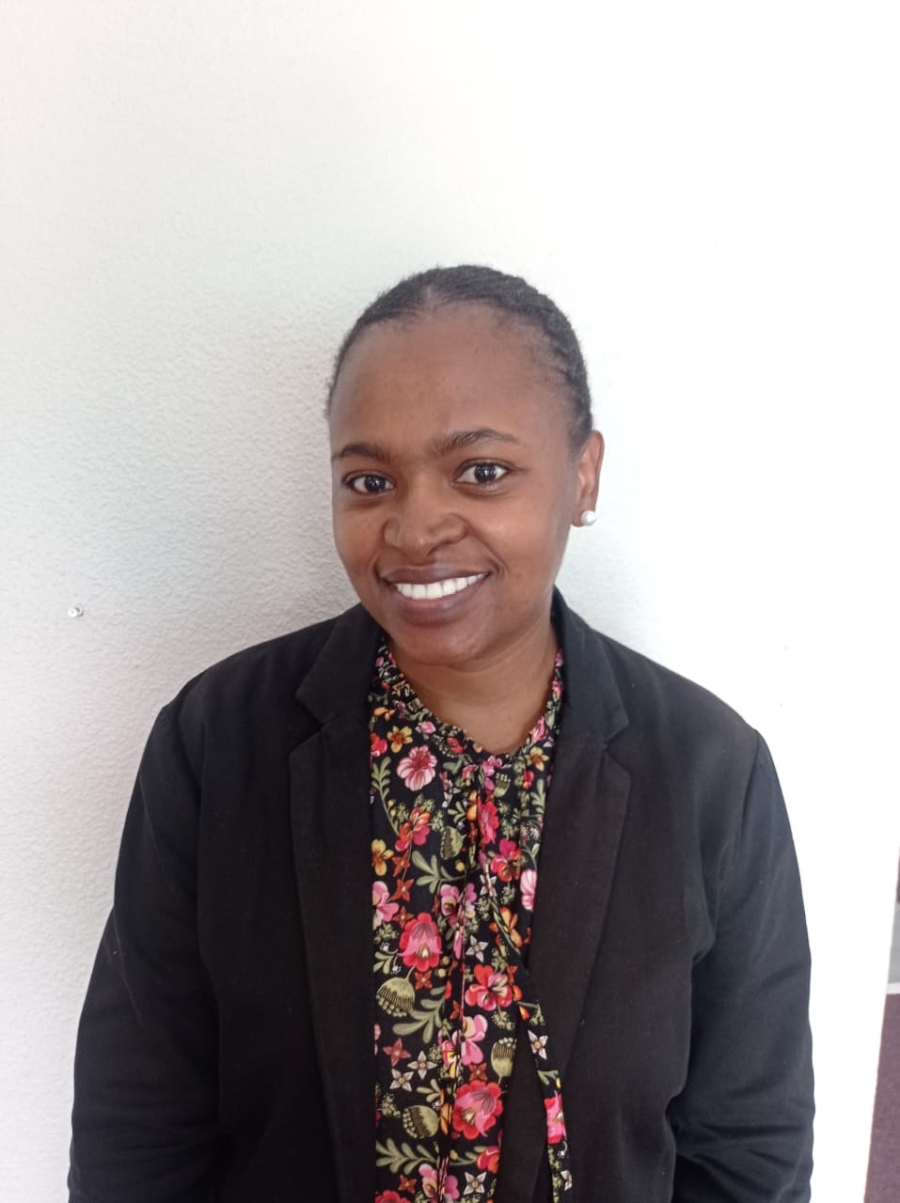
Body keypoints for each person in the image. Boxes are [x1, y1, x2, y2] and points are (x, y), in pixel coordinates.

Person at [69, 265, 814, 1202]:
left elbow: (749, 1146)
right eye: (370, 480)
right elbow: (137, 1125)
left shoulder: (711, 774)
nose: (415, 527)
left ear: (583, 474)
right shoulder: (218, 744)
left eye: (482, 472)